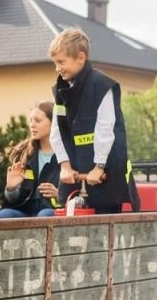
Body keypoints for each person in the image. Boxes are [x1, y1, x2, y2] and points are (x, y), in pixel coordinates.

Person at [49, 27, 133, 214]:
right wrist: (65, 166)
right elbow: (56, 132)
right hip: (74, 171)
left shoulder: (101, 85)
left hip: (105, 171)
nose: (57, 68)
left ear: (80, 58)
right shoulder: (60, 90)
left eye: (61, 62)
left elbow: (105, 128)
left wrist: (99, 166)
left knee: (106, 225)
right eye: (55, 63)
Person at [0, 102, 62, 219]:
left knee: (44, 215)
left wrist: (59, 194)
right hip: (25, 209)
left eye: (37, 120)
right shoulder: (24, 154)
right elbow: (13, 199)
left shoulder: (65, 156)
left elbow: (77, 194)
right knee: (3, 214)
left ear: (54, 123)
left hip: (51, 210)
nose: (32, 125)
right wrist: (11, 189)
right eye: (31, 120)